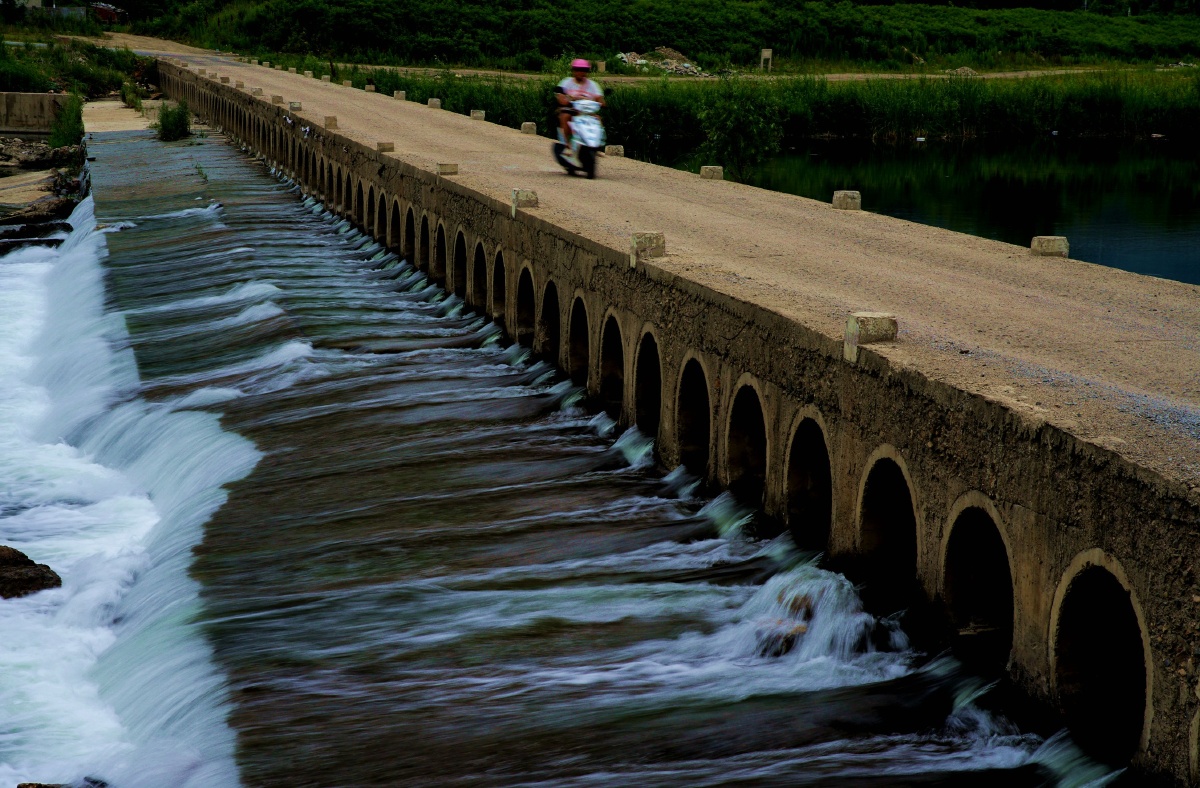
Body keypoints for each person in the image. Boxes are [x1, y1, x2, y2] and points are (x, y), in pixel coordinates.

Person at [556, 58, 604, 150]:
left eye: (584, 70)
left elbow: (600, 100)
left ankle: (597, 146)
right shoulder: (566, 82)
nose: (581, 72)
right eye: (578, 70)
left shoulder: (593, 85)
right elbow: (561, 98)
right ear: (574, 71)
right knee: (564, 116)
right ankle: (567, 144)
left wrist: (600, 103)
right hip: (571, 110)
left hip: (587, 112)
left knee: (598, 119)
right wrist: (570, 99)